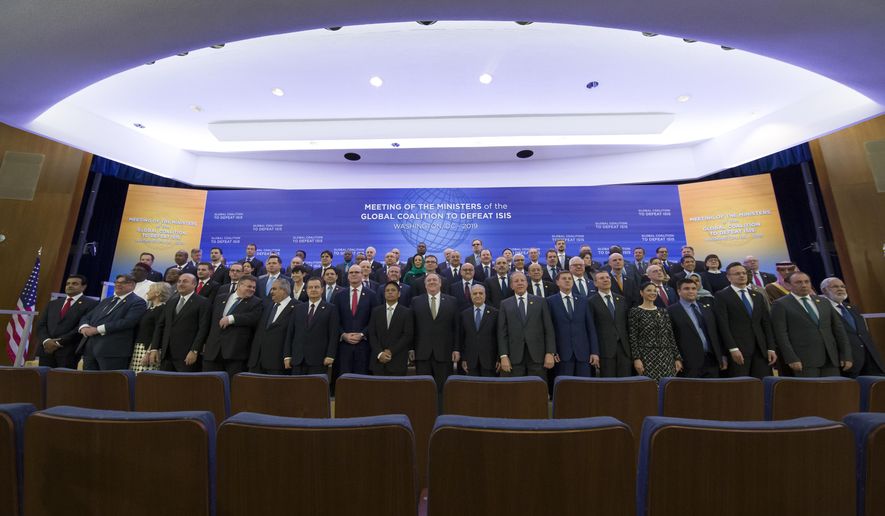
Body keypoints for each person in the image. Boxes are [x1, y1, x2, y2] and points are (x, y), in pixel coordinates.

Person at [771, 272, 852, 377]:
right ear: (788, 285)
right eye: (798, 282)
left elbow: (838, 330)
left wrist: (846, 355)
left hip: (831, 358)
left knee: (834, 391)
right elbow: (781, 334)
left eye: (806, 282)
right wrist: (791, 358)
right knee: (812, 392)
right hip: (804, 360)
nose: (804, 285)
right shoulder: (781, 304)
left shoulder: (823, 302)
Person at [713, 262, 777, 378]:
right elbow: (723, 325)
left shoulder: (757, 296)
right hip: (739, 349)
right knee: (742, 387)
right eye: (737, 274)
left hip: (761, 349)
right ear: (728, 277)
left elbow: (766, 323)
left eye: (743, 273)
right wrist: (732, 348)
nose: (742, 276)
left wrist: (771, 347)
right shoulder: (721, 296)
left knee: (763, 384)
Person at [77, 274, 147, 370]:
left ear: (132, 285)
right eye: (116, 282)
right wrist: (84, 327)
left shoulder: (138, 302)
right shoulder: (106, 300)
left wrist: (97, 330)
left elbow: (128, 322)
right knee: (88, 382)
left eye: (122, 282)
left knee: (109, 383)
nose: (118, 285)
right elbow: (87, 316)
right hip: (90, 349)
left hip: (113, 351)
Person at [820, 277, 884, 377]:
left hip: (870, 359)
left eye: (842, 286)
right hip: (848, 361)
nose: (840, 289)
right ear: (824, 290)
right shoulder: (823, 310)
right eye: (835, 287)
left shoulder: (852, 308)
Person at [202, 275, 264, 377]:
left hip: (235, 353)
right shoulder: (220, 297)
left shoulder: (257, 302)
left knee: (232, 387)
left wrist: (232, 319)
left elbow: (253, 318)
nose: (252, 289)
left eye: (253, 287)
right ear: (239, 285)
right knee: (210, 385)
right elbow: (210, 321)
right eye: (249, 286)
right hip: (213, 351)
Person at [497, 272, 556, 378]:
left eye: (522, 280)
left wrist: (550, 353)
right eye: (516, 281)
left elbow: (549, 329)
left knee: (536, 390)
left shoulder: (540, 301)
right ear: (511, 286)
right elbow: (502, 332)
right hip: (514, 356)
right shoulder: (504, 304)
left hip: (538, 355)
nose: (520, 283)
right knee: (516, 390)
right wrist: (503, 356)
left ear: (527, 283)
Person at [148, 273, 210, 372]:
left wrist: (194, 350)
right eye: (179, 281)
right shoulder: (171, 301)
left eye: (185, 281)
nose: (181, 284)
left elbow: (203, 328)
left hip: (186, 355)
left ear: (194, 284)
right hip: (167, 354)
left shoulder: (202, 302)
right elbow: (160, 325)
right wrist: (154, 348)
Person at [36, 275, 99, 369]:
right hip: (47, 349)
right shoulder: (53, 303)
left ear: (83, 287)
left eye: (75, 284)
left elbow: (81, 327)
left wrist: (57, 343)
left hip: (69, 351)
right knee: (43, 380)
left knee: (63, 382)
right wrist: (46, 341)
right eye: (68, 283)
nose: (70, 286)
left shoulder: (92, 304)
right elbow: (41, 325)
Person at [411, 273, 460, 391]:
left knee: (443, 389)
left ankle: (442, 409)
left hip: (444, 352)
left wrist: (456, 349)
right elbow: (412, 327)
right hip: (422, 353)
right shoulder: (416, 301)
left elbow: (456, 327)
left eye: (434, 280)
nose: (432, 282)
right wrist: (411, 348)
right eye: (429, 280)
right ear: (425, 285)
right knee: (423, 389)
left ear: (440, 283)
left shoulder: (452, 301)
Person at [668, 278, 726, 378]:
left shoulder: (706, 308)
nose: (691, 291)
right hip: (688, 362)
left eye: (693, 288)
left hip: (712, 359)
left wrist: (722, 355)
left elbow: (716, 334)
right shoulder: (671, 311)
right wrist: (676, 358)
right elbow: (670, 338)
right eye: (686, 288)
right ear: (679, 291)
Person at [547, 271, 600, 378]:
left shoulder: (583, 301)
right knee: (564, 388)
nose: (567, 280)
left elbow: (590, 328)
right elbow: (549, 329)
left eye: (569, 278)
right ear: (557, 282)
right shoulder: (550, 301)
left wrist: (594, 352)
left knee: (584, 388)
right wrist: (552, 351)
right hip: (562, 354)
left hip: (583, 353)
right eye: (564, 278)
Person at [629, 282, 683, 382]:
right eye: (649, 290)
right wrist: (636, 359)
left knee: (667, 389)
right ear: (641, 293)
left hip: (667, 357)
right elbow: (633, 337)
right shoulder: (635, 311)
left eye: (655, 291)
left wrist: (677, 358)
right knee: (650, 390)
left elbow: (670, 335)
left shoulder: (663, 311)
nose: (653, 293)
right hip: (647, 357)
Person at [284, 277, 338, 375]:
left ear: (322, 289)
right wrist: (287, 356)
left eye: (316, 287)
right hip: (297, 358)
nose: (313, 289)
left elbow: (333, 334)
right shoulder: (298, 308)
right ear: (306, 290)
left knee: (315, 389)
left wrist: (330, 355)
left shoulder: (331, 309)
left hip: (319, 359)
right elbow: (290, 333)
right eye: (310, 287)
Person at [333, 265, 377, 376]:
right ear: (347, 276)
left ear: (362, 275)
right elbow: (335, 320)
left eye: (357, 272)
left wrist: (362, 334)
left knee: (362, 381)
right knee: (344, 380)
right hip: (344, 346)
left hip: (364, 345)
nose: (353, 274)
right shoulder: (339, 296)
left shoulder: (372, 295)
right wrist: (343, 335)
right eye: (351, 272)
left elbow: (374, 320)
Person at [248, 278, 298, 375]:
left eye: (274, 289)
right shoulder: (267, 305)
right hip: (257, 362)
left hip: (278, 362)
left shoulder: (297, 307)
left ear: (284, 290)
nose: (271, 292)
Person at [589, 270, 632, 377]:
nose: (605, 280)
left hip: (624, 349)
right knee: (609, 384)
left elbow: (626, 324)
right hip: (604, 349)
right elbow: (591, 328)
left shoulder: (621, 299)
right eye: (602, 278)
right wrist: (594, 351)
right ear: (595, 283)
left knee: (625, 383)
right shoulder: (590, 302)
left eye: (607, 278)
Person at [368, 281, 414, 376]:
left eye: (393, 290)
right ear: (384, 294)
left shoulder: (407, 312)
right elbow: (372, 334)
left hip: (398, 359)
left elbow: (407, 335)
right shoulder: (376, 311)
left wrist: (391, 351)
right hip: (378, 360)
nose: (390, 292)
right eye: (387, 290)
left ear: (399, 294)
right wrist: (380, 353)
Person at [130, 282, 172, 372]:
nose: (147, 293)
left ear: (157, 293)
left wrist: (149, 352)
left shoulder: (162, 309)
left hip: (147, 349)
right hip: (139, 347)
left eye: (150, 290)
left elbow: (158, 332)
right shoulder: (150, 309)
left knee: (143, 377)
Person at [459, 284, 498, 377]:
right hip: (471, 360)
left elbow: (498, 337)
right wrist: (464, 358)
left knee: (489, 389)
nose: (478, 296)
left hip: (490, 359)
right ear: (470, 295)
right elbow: (462, 338)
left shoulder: (495, 313)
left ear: (485, 295)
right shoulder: (464, 314)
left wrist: (498, 358)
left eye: (481, 293)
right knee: (473, 389)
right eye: (475, 293)